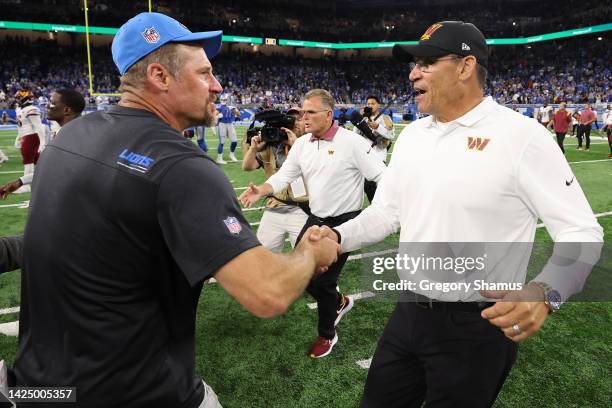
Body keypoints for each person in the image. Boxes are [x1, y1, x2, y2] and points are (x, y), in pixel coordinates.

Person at [10, 12, 339, 408]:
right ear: (159, 77)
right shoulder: (182, 167)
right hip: (135, 390)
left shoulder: (74, 133)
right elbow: (266, 293)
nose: (217, 86)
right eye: (204, 73)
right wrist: (310, 252)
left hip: (38, 387)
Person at [311, 21, 603, 407]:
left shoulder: (522, 137)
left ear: (466, 67)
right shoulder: (414, 136)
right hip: (409, 311)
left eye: (426, 63)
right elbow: (387, 211)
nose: (413, 72)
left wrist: (546, 291)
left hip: (477, 326)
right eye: (413, 64)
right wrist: (338, 236)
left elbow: (584, 233)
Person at [239, 89, 386, 358]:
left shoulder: (352, 142)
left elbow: (381, 175)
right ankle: (340, 303)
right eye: (303, 111)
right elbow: (285, 175)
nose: (304, 117)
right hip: (314, 219)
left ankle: (327, 335)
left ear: (328, 115)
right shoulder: (303, 143)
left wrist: (385, 208)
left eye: (310, 112)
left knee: (326, 281)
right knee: (303, 275)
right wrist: (262, 189)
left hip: (344, 223)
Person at [241, 107, 309, 252]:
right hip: (275, 205)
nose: (295, 122)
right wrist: (253, 148)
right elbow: (247, 167)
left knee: (305, 256)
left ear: (306, 121)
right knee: (263, 254)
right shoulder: (272, 143)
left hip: (302, 209)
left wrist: (296, 146)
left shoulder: (311, 143)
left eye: (298, 118)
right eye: (291, 119)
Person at [0, 89, 85, 199]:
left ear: (66, 110)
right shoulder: (63, 132)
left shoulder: (75, 136)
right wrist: (19, 182)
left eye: (52, 103)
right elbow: (52, 170)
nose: (47, 106)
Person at [352, 95, 395, 202]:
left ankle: (379, 207)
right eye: (368, 104)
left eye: (373, 103)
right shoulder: (364, 118)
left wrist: (378, 127)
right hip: (364, 156)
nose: (370, 106)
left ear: (378, 105)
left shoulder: (385, 118)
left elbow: (391, 135)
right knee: (366, 186)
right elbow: (354, 134)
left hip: (378, 156)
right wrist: (360, 120)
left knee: (375, 186)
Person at [13, 89, 46, 194]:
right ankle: (45, 180)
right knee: (37, 162)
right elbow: (20, 126)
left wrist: (42, 142)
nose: (17, 100)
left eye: (19, 98)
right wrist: (19, 137)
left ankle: (26, 186)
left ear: (26, 98)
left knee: (28, 162)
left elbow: (38, 127)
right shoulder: (20, 109)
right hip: (26, 136)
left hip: (31, 136)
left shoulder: (31, 109)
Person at [215, 94, 239, 163]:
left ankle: (231, 154)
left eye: (225, 100)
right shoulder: (220, 107)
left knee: (234, 141)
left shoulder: (232, 107)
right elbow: (214, 114)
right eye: (222, 99)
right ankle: (219, 158)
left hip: (230, 124)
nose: (223, 101)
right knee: (222, 142)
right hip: (222, 124)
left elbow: (238, 115)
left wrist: (237, 112)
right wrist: (217, 116)